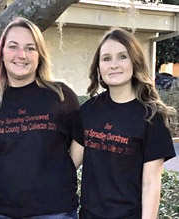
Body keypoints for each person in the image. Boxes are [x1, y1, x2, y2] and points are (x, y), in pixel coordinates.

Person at [71, 27, 176, 219]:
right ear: (98, 67)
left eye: (122, 56)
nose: (114, 65)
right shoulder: (89, 111)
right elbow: (70, 164)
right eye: (106, 58)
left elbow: (151, 184)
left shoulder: (151, 117)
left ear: (134, 62)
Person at [0, 17, 80, 218]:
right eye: (13, 47)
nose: (21, 55)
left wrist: (61, 172)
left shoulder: (61, 96)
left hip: (54, 210)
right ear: (1, 53)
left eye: (30, 48)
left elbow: (81, 140)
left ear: (40, 55)